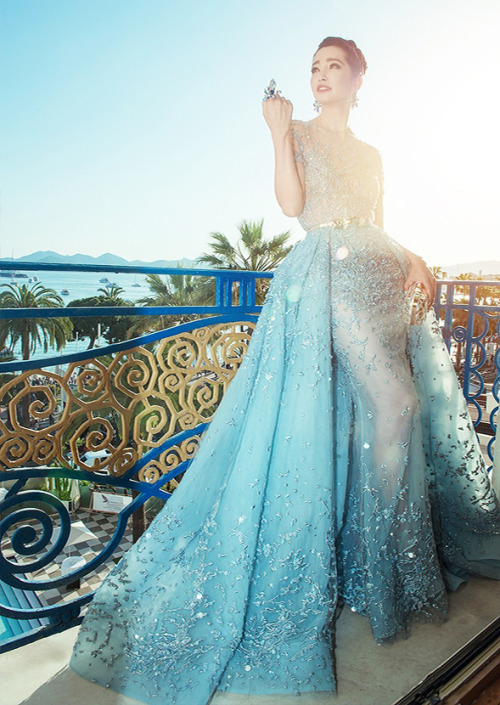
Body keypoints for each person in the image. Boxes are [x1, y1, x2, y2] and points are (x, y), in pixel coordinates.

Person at [69, 37, 500, 705]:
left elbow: (378, 220)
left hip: (378, 272)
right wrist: (276, 134)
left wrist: (412, 252)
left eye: (335, 67)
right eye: (315, 68)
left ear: (359, 79)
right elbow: (295, 207)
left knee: (373, 417)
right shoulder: (294, 129)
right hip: (328, 273)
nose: (322, 77)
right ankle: (382, 559)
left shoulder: (374, 154)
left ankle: (372, 562)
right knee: (397, 406)